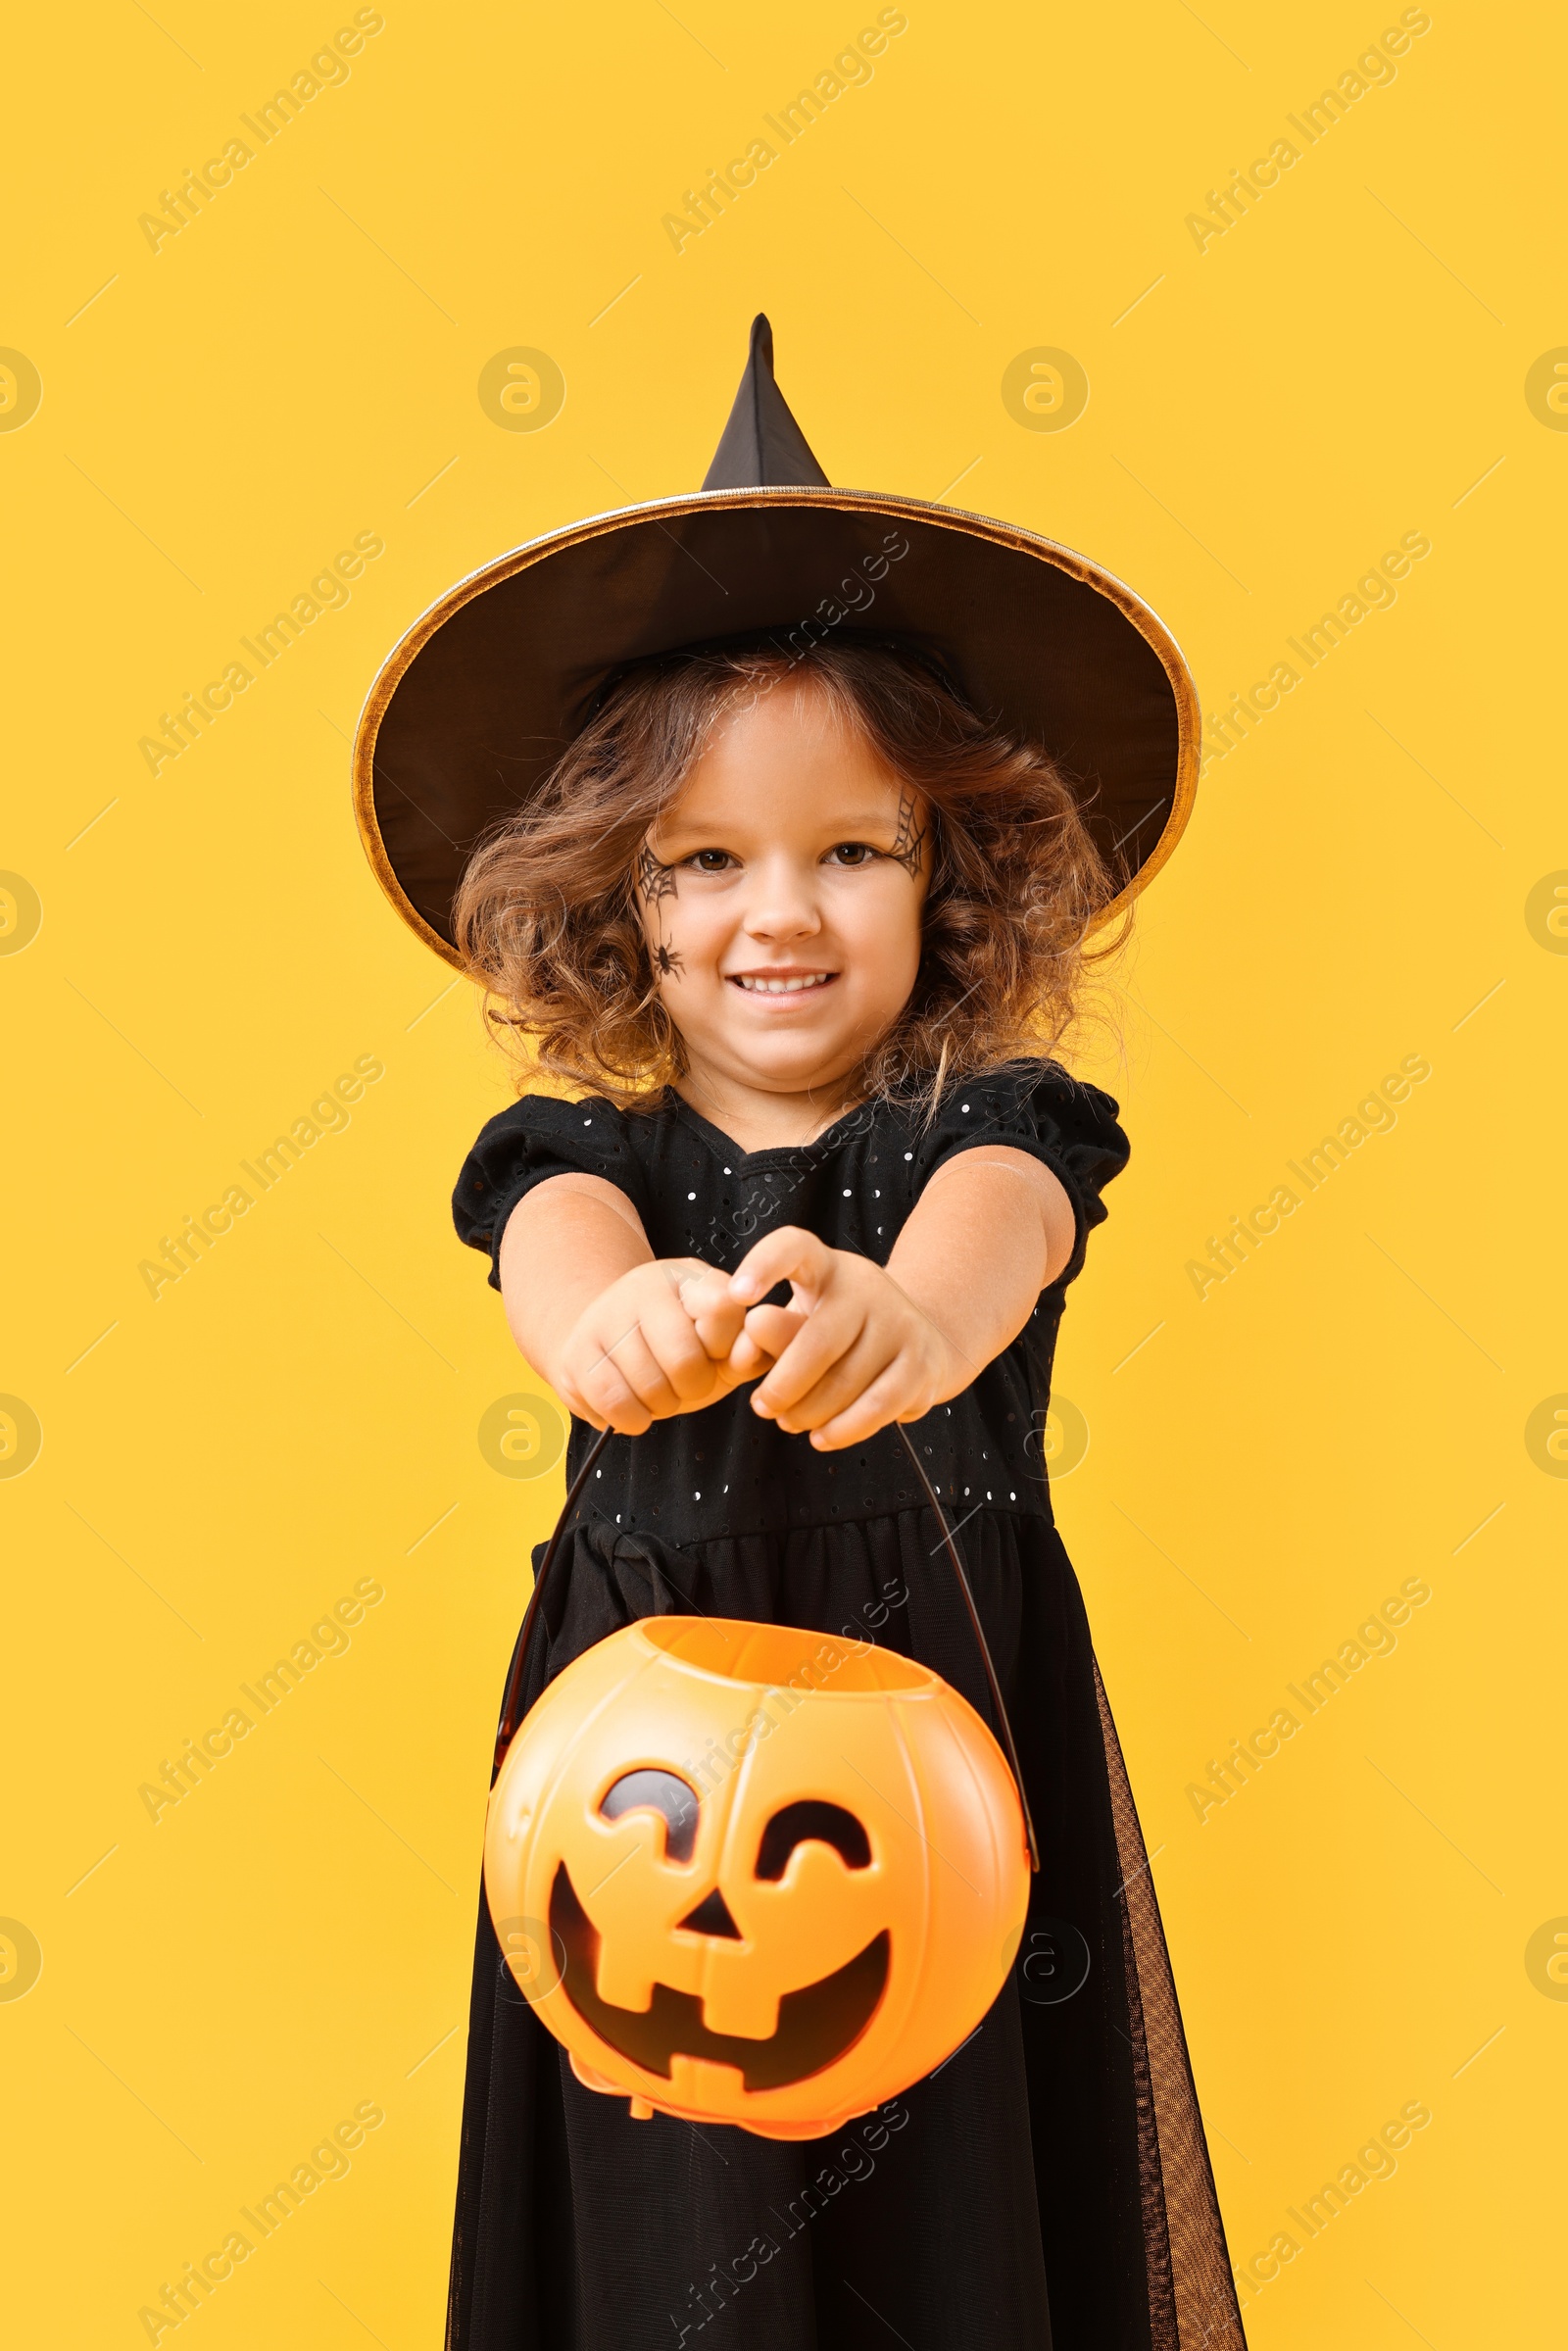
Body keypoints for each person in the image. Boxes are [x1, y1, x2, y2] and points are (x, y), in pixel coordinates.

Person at [353, 318, 1244, 2349]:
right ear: (625, 901)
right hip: (642, 1791)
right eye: (707, 861)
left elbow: (994, 1243)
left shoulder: (988, 1132)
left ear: (949, 878)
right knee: (665, 2229)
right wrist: (617, 1326)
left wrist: (908, 1312)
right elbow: (553, 1269)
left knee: (958, 2226)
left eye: (851, 849)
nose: (784, 911)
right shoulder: (580, 1156)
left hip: (931, 1738)